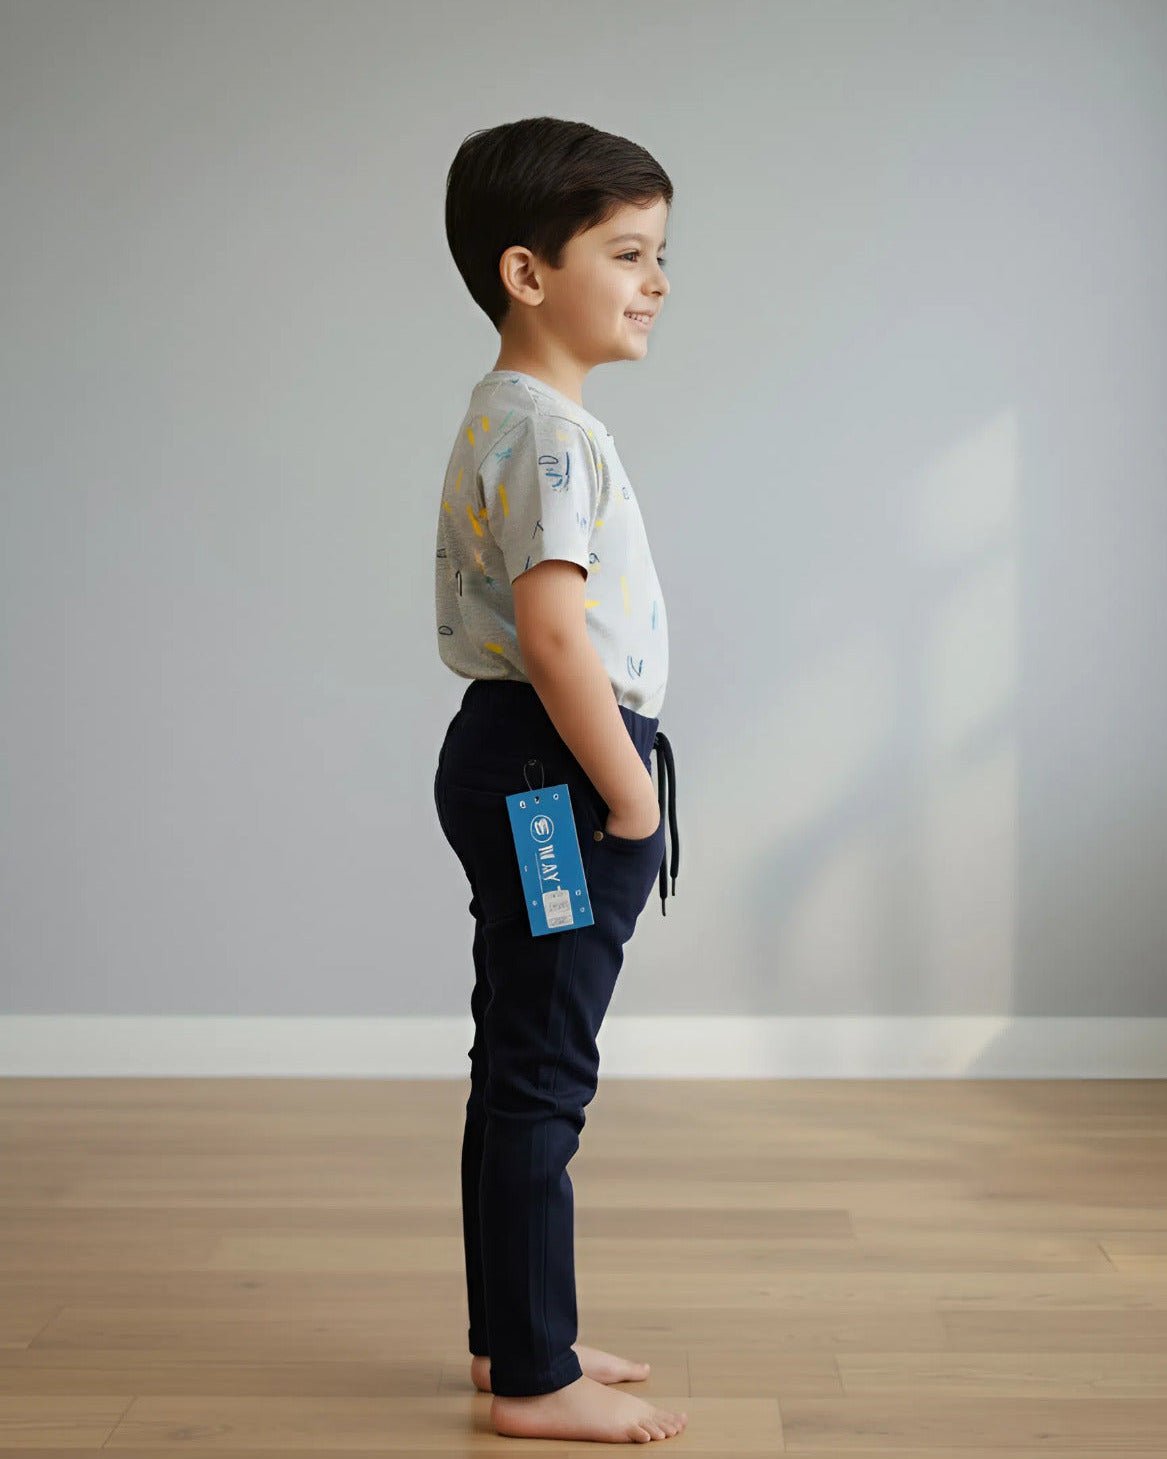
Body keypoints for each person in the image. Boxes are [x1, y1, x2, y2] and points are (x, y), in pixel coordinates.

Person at [432, 116, 687, 1445]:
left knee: (518, 1059)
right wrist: (629, 799)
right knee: (543, 1073)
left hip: (521, 758)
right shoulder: (545, 438)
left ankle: (515, 1334)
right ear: (530, 273)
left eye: (659, 255)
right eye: (628, 252)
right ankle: (534, 1377)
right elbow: (551, 634)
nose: (655, 281)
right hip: (554, 770)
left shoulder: (517, 415)